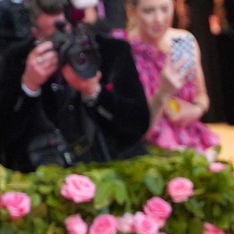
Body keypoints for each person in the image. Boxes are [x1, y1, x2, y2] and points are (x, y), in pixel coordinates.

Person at [0, 0, 149, 171]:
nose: (66, 43)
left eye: (69, 31)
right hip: (42, 171)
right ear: (36, 34)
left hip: (108, 169)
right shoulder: (17, 60)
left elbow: (137, 127)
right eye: (55, 38)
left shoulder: (112, 52)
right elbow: (6, 139)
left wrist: (94, 93)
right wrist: (29, 86)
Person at [123, 0, 219, 152]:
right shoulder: (124, 50)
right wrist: (162, 93)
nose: (159, 19)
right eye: (149, 11)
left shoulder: (183, 42)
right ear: (132, 12)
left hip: (187, 141)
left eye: (165, 9)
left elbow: (201, 96)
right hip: (144, 148)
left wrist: (196, 110)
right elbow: (126, 122)